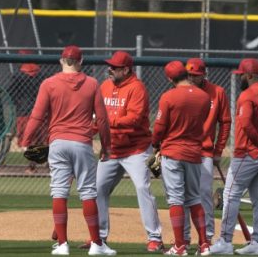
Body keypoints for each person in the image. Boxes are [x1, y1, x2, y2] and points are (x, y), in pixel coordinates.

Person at [21, 45, 116, 256]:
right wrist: (106, 146)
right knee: (88, 192)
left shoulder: (49, 83)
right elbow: (101, 119)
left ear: (61, 61)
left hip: (58, 142)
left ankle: (62, 244)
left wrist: (26, 139)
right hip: (82, 142)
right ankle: (96, 245)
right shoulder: (92, 84)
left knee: (59, 191)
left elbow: (37, 115)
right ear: (81, 62)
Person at [93, 50, 164, 253]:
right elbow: (96, 117)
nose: (110, 69)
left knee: (142, 188)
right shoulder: (105, 86)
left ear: (126, 69)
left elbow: (133, 119)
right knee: (97, 189)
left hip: (136, 149)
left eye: (114, 67)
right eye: (110, 66)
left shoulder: (137, 88)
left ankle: (155, 237)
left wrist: (106, 122)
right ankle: (99, 237)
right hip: (111, 149)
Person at [208, 58, 258, 256]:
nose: (240, 78)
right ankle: (257, 244)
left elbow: (246, 123)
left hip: (247, 153)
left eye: (242, 75)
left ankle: (225, 241)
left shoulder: (247, 95)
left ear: (249, 75)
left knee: (230, 194)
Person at [151, 60, 212, 256]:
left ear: (170, 78)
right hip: (194, 152)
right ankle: (204, 245)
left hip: (173, 152)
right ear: (186, 74)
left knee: (176, 200)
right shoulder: (204, 97)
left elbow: (160, 127)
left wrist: (155, 144)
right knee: (194, 198)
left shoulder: (168, 96)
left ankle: (180, 246)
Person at [181, 57, 231, 249]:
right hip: (183, 149)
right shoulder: (181, 91)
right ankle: (184, 238)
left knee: (203, 194)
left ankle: (207, 235)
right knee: (183, 195)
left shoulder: (217, 92)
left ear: (204, 74)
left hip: (205, 151)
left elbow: (225, 122)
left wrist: (219, 150)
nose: (192, 78)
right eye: (189, 75)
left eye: (196, 75)